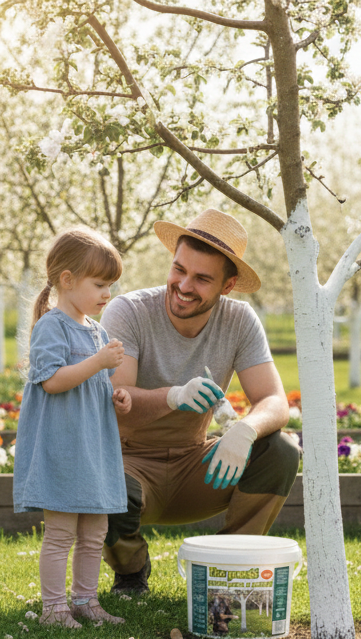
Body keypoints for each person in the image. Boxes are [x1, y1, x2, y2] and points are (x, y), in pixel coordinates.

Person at [100, 209, 300, 595]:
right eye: (179, 270)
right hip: (129, 464)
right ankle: (131, 571)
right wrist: (175, 396)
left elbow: (275, 401)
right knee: (103, 480)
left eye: (202, 278)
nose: (184, 285)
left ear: (227, 286)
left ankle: (230, 567)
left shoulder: (240, 320)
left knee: (280, 451)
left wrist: (244, 430)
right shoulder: (130, 312)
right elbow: (115, 402)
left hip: (199, 466)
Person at [13, 227, 132, 628]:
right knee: (61, 532)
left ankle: (85, 600)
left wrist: (115, 395)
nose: (107, 294)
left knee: (95, 530)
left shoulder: (95, 330)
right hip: (63, 448)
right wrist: (98, 364)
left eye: (110, 285)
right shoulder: (53, 326)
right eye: (99, 284)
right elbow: (52, 380)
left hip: (93, 448)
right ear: (67, 279)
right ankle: (53, 609)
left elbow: (91, 384)